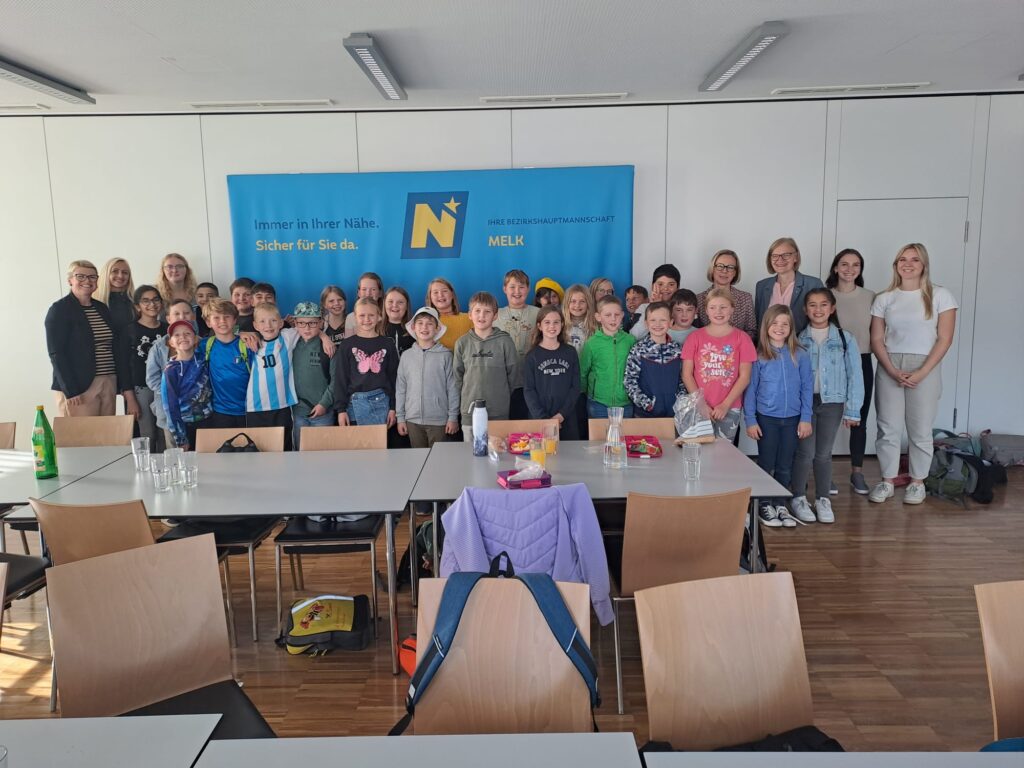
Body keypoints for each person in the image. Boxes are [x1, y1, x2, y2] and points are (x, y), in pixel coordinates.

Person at [869, 243, 957, 505]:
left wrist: (922, 372)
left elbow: (945, 338)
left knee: (920, 428)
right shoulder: (885, 298)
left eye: (914, 259)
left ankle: (917, 482)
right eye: (902, 259)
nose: (907, 264)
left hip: (926, 364)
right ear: (896, 265)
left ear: (924, 264)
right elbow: (876, 339)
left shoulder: (941, 295)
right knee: (888, 427)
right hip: (890, 363)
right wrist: (891, 369)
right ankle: (887, 480)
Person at [790, 288, 864, 523]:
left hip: (833, 403)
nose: (818, 309)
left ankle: (823, 498)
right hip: (805, 404)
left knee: (823, 454)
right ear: (805, 310)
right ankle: (798, 497)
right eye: (812, 305)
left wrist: (853, 410)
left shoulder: (845, 339)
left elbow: (855, 375)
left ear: (832, 308)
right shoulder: (798, 339)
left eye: (823, 304)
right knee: (805, 452)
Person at [744, 306, 813, 529]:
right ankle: (764, 503)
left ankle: (780, 503)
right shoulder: (758, 356)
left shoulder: (800, 355)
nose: (779, 328)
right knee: (766, 463)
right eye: (774, 323)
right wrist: (750, 420)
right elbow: (751, 390)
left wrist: (806, 418)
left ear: (791, 327)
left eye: (785, 324)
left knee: (785, 464)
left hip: (793, 419)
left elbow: (807, 388)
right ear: (766, 326)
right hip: (767, 419)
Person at [45, 260, 138, 418]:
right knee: (82, 433)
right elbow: (56, 353)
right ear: (70, 280)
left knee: (107, 432)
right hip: (79, 386)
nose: (87, 281)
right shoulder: (60, 309)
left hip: (108, 381)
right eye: (80, 276)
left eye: (92, 277)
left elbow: (113, 346)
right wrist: (70, 389)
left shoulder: (101, 308)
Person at [826, 248, 876, 494]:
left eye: (855, 265)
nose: (849, 269)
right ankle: (826, 473)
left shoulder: (870, 297)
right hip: (831, 362)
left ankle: (857, 472)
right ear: (836, 268)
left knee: (860, 418)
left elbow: (877, 333)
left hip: (862, 361)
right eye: (844, 264)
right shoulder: (826, 295)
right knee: (827, 419)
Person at [682, 287, 756, 440]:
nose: (718, 312)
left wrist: (725, 405)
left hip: (730, 407)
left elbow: (745, 377)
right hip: (699, 406)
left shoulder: (742, 338)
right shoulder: (694, 337)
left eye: (723, 307)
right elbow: (687, 374)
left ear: (732, 309)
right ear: (706, 311)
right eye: (713, 307)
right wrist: (701, 404)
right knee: (698, 450)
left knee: (724, 452)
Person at [453, 291, 518, 441]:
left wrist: (500, 397)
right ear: (470, 315)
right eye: (477, 311)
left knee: (499, 451)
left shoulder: (505, 342)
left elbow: (513, 376)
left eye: (487, 311)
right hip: (470, 412)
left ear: (495, 316)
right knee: (471, 453)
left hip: (499, 413)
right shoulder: (462, 343)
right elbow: (457, 378)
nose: (481, 315)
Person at [396, 306, 460, 448]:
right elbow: (401, 388)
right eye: (420, 323)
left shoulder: (446, 355)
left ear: (437, 328)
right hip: (412, 420)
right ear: (414, 327)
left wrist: (453, 417)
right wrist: (400, 418)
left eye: (430, 323)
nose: (424, 327)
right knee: (417, 458)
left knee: (439, 458)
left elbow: (453, 388)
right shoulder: (406, 356)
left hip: (439, 421)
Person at [246, 302, 303, 450]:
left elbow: (309, 328)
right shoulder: (250, 342)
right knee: (258, 449)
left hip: (282, 405)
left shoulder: (288, 337)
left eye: (273, 320)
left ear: (281, 323)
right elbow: (228, 336)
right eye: (262, 321)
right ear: (255, 325)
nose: (268, 325)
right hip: (256, 407)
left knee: (284, 448)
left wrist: (324, 337)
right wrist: (242, 334)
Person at [335, 297, 398, 427]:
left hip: (382, 404)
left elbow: (394, 378)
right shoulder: (347, 345)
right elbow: (341, 379)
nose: (367, 319)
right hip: (353, 406)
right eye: (362, 315)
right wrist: (341, 410)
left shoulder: (387, 344)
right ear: (355, 317)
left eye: (371, 315)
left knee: (379, 441)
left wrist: (393, 407)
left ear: (379, 317)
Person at [523, 305, 581, 439]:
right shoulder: (532, 356)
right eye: (547, 322)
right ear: (539, 326)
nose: (552, 326)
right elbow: (529, 390)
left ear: (562, 324)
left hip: (566, 417)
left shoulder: (570, 352)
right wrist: (544, 419)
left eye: (556, 322)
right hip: (540, 419)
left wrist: (561, 416)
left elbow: (576, 387)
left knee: (570, 452)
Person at [146, 299, 197, 449]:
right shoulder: (158, 347)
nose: (182, 316)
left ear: (193, 316)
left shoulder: (202, 343)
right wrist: (172, 392)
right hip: (169, 413)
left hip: (197, 412)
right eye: (176, 314)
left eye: (186, 313)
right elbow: (152, 378)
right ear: (168, 319)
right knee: (176, 452)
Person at [122, 285, 167, 451]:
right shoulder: (129, 331)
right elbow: (123, 367)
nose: (152, 304)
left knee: (165, 434)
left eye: (155, 300)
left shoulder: (167, 329)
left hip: (165, 389)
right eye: (145, 301)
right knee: (147, 435)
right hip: (141, 390)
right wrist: (130, 399)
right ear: (137, 306)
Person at [623, 302, 684, 419]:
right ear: (646, 323)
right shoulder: (638, 349)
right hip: (645, 415)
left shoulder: (678, 350)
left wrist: (680, 402)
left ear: (671, 322)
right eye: (653, 320)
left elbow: (683, 379)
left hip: (675, 415)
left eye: (663, 320)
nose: (658, 324)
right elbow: (629, 381)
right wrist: (647, 404)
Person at [579, 294, 635, 418]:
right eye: (608, 315)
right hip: (598, 403)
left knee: (624, 431)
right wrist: (589, 393)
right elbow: (583, 372)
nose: (613, 319)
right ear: (598, 317)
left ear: (622, 315)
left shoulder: (630, 341)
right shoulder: (592, 343)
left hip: (625, 402)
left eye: (617, 314)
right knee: (599, 431)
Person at [289, 302, 336, 450]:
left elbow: (336, 381)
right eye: (302, 323)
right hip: (298, 413)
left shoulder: (328, 348)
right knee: (301, 453)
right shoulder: (290, 344)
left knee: (323, 455)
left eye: (312, 323)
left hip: (323, 412)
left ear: (321, 323)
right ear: (295, 323)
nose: (307, 328)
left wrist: (324, 404)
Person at [495, 269, 540, 420]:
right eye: (512, 287)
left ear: (528, 289)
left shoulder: (538, 313)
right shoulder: (495, 315)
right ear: (504, 289)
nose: (517, 291)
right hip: (504, 383)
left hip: (533, 383)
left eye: (521, 287)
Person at [201, 297, 252, 429]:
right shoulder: (205, 345)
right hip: (220, 411)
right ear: (208, 322)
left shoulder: (247, 345)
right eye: (216, 318)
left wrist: (247, 334)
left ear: (235, 320)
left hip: (248, 410)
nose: (222, 321)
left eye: (227, 317)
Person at [754, 238, 824, 334]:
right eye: (775, 256)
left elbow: (821, 320)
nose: (780, 260)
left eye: (786, 255)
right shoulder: (762, 286)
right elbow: (759, 322)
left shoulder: (813, 284)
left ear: (796, 257)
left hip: (801, 342)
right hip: (768, 343)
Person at [161, 320, 212, 449]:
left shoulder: (204, 358)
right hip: (186, 425)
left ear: (195, 339)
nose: (183, 337)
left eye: (187, 333)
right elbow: (170, 407)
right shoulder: (170, 371)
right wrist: (180, 437)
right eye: (177, 335)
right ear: (171, 342)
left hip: (209, 421)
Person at [697, 249, 756, 338]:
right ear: (712, 269)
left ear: (735, 272)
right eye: (720, 266)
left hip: (739, 346)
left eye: (730, 267)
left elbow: (752, 331)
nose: (724, 271)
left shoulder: (746, 298)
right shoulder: (699, 299)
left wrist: (734, 343)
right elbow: (696, 331)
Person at [630, 264, 681, 339]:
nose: (665, 288)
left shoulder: (683, 309)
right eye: (660, 284)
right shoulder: (643, 308)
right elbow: (634, 336)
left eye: (671, 284)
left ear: (678, 287)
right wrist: (653, 306)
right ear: (652, 286)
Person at [426, 277, 473, 352]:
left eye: (444, 291)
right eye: (435, 292)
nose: (440, 295)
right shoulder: (425, 323)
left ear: (452, 295)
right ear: (430, 297)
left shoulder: (469, 319)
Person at [95, 257, 135, 332]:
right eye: (115, 271)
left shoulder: (135, 302)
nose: (120, 276)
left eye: (125, 272)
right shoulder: (94, 301)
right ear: (106, 274)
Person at [344, 272, 383, 337]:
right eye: (364, 289)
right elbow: (348, 342)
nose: (368, 293)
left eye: (373, 289)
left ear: (380, 293)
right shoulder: (351, 318)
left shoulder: (386, 317)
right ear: (358, 293)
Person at [563, 283, 595, 352]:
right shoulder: (561, 325)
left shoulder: (594, 326)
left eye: (582, 301)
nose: (577, 305)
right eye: (573, 301)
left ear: (588, 304)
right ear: (567, 303)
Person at [382, 286, 414, 355]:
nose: (395, 305)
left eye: (400, 302)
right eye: (390, 301)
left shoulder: (415, 330)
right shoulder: (376, 329)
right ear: (384, 304)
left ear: (407, 306)